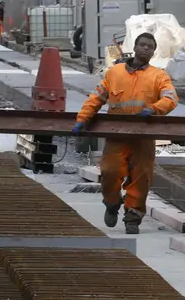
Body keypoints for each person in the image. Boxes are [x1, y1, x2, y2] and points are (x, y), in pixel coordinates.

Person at [72, 33, 178, 234]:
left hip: (143, 137)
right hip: (117, 136)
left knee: (141, 177)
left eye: (150, 47)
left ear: (153, 52)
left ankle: (133, 218)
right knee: (110, 172)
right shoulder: (115, 73)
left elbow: (171, 98)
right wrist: (82, 119)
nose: (146, 48)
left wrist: (154, 109)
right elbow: (96, 98)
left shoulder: (159, 76)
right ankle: (112, 203)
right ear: (135, 47)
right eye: (142, 45)